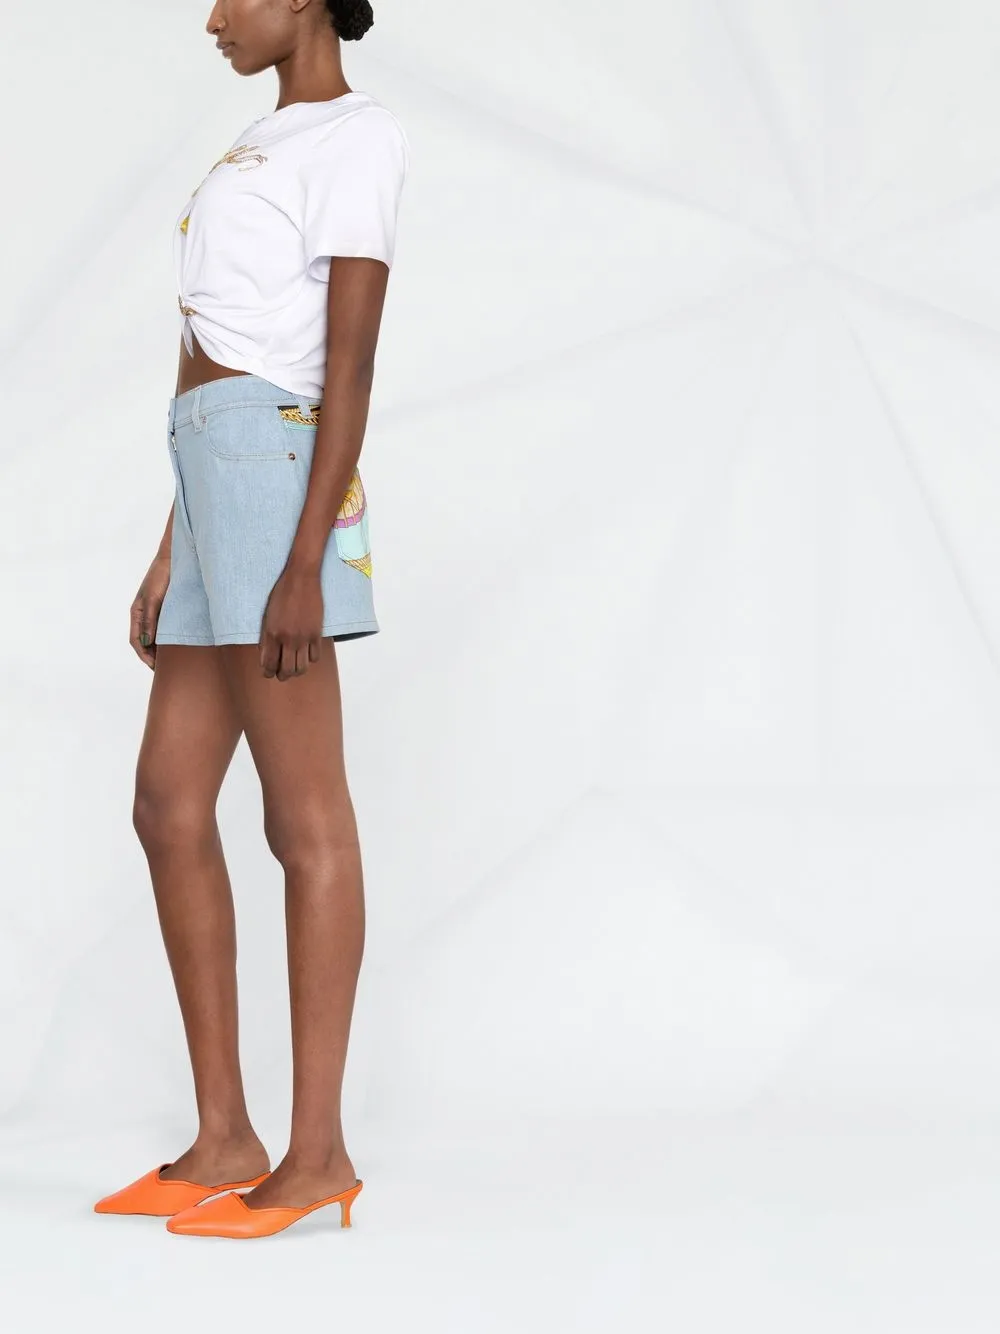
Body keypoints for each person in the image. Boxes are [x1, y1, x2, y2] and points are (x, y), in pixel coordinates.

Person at [92, 0, 410, 1240]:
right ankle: (225, 1133)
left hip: (276, 477)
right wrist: (175, 541)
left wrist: (302, 553)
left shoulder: (356, 135)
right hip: (210, 475)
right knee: (168, 803)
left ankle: (318, 1152)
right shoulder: (257, 143)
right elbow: (208, 344)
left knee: (301, 811)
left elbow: (349, 360)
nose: (214, 16)